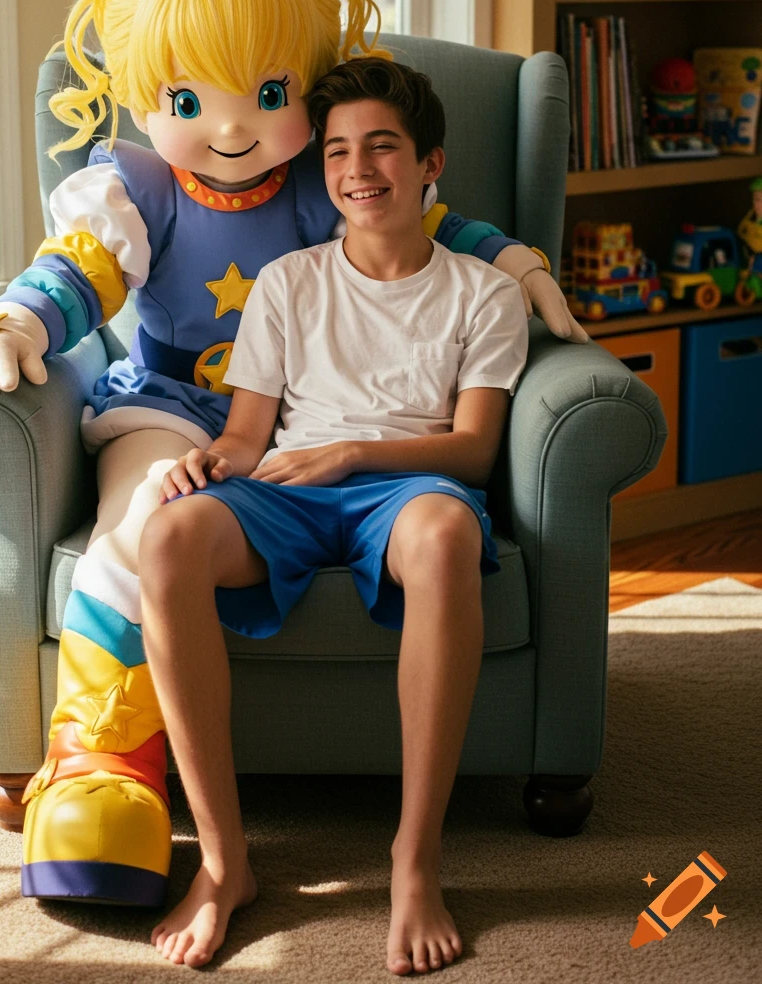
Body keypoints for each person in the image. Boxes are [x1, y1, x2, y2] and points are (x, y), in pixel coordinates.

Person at [0, 0, 583, 909]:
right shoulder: (137, 184)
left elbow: (417, 217)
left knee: (264, 518)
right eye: (188, 95)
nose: (231, 124)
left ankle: (398, 854)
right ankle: (103, 761)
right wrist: (17, 317)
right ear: (144, 87)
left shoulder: (330, 174)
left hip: (308, 425)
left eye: (267, 92)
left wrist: (510, 256)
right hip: (174, 399)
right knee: (140, 528)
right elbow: (83, 269)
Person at [139, 56, 529, 974]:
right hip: (287, 486)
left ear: (430, 163)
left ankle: (414, 858)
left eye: (382, 147)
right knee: (170, 538)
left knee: (443, 534)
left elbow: (472, 450)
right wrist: (206, 462)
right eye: (340, 150)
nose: (359, 169)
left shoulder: (485, 292)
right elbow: (244, 436)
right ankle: (227, 866)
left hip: (406, 487)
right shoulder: (288, 281)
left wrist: (352, 454)